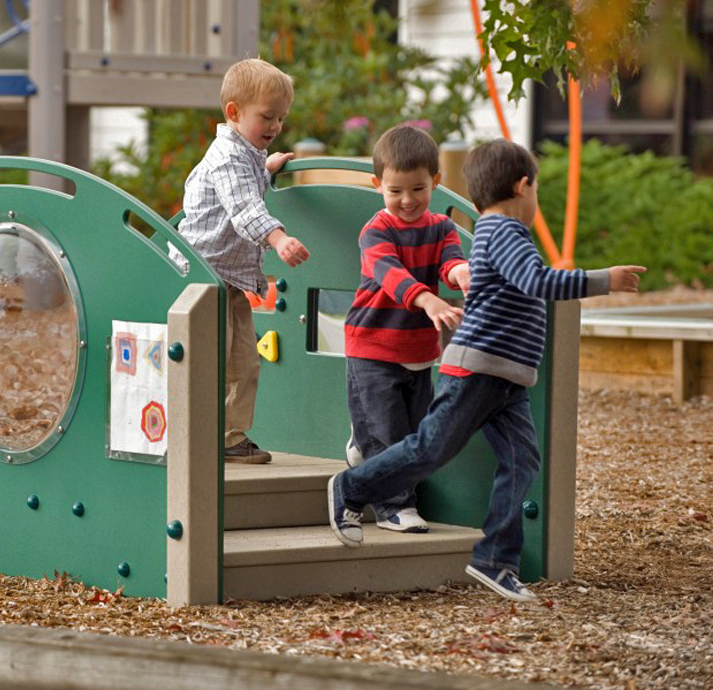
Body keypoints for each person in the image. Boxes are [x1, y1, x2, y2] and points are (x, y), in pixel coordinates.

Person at [328, 138, 647, 602]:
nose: (408, 200)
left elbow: (460, 265)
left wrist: (458, 275)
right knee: (430, 448)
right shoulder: (502, 231)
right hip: (477, 370)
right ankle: (352, 488)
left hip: (507, 376)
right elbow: (537, 281)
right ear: (524, 187)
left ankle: (495, 559)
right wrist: (604, 280)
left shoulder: (486, 234)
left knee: (522, 461)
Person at [176, 58, 310, 464]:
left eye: (281, 119)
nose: (274, 127)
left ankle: (230, 436)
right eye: (267, 117)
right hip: (202, 276)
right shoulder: (228, 157)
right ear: (234, 112)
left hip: (229, 278)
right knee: (213, 358)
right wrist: (278, 237)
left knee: (244, 362)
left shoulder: (247, 154)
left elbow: (247, 180)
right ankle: (195, 435)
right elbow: (244, 209)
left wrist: (267, 168)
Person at [344, 125, 470, 533]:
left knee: (415, 431)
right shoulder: (375, 230)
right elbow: (390, 275)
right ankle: (393, 506)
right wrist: (429, 299)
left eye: (418, 189)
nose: (407, 200)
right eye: (395, 191)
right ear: (377, 184)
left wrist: (463, 272)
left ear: (435, 181)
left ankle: (362, 443)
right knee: (387, 433)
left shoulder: (442, 229)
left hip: (417, 348)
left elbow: (449, 264)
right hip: (373, 344)